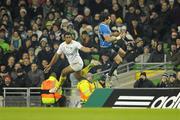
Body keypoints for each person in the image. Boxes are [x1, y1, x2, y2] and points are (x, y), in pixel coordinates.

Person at [98, 12, 126, 80]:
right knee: (119, 60)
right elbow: (107, 40)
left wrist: (117, 34)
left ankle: (114, 68)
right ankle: (109, 75)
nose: (110, 20)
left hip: (111, 45)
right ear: (105, 19)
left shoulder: (105, 25)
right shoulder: (103, 27)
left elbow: (109, 35)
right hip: (106, 48)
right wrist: (118, 38)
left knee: (123, 53)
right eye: (109, 18)